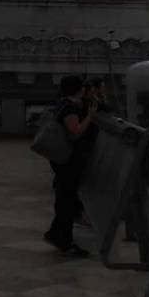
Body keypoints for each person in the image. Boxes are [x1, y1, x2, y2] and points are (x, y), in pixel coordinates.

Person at [43, 75, 99, 257]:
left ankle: (55, 233)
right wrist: (90, 115)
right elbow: (75, 132)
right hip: (68, 159)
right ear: (78, 89)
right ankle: (65, 240)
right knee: (67, 199)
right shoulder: (70, 107)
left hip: (62, 159)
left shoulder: (62, 103)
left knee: (65, 198)